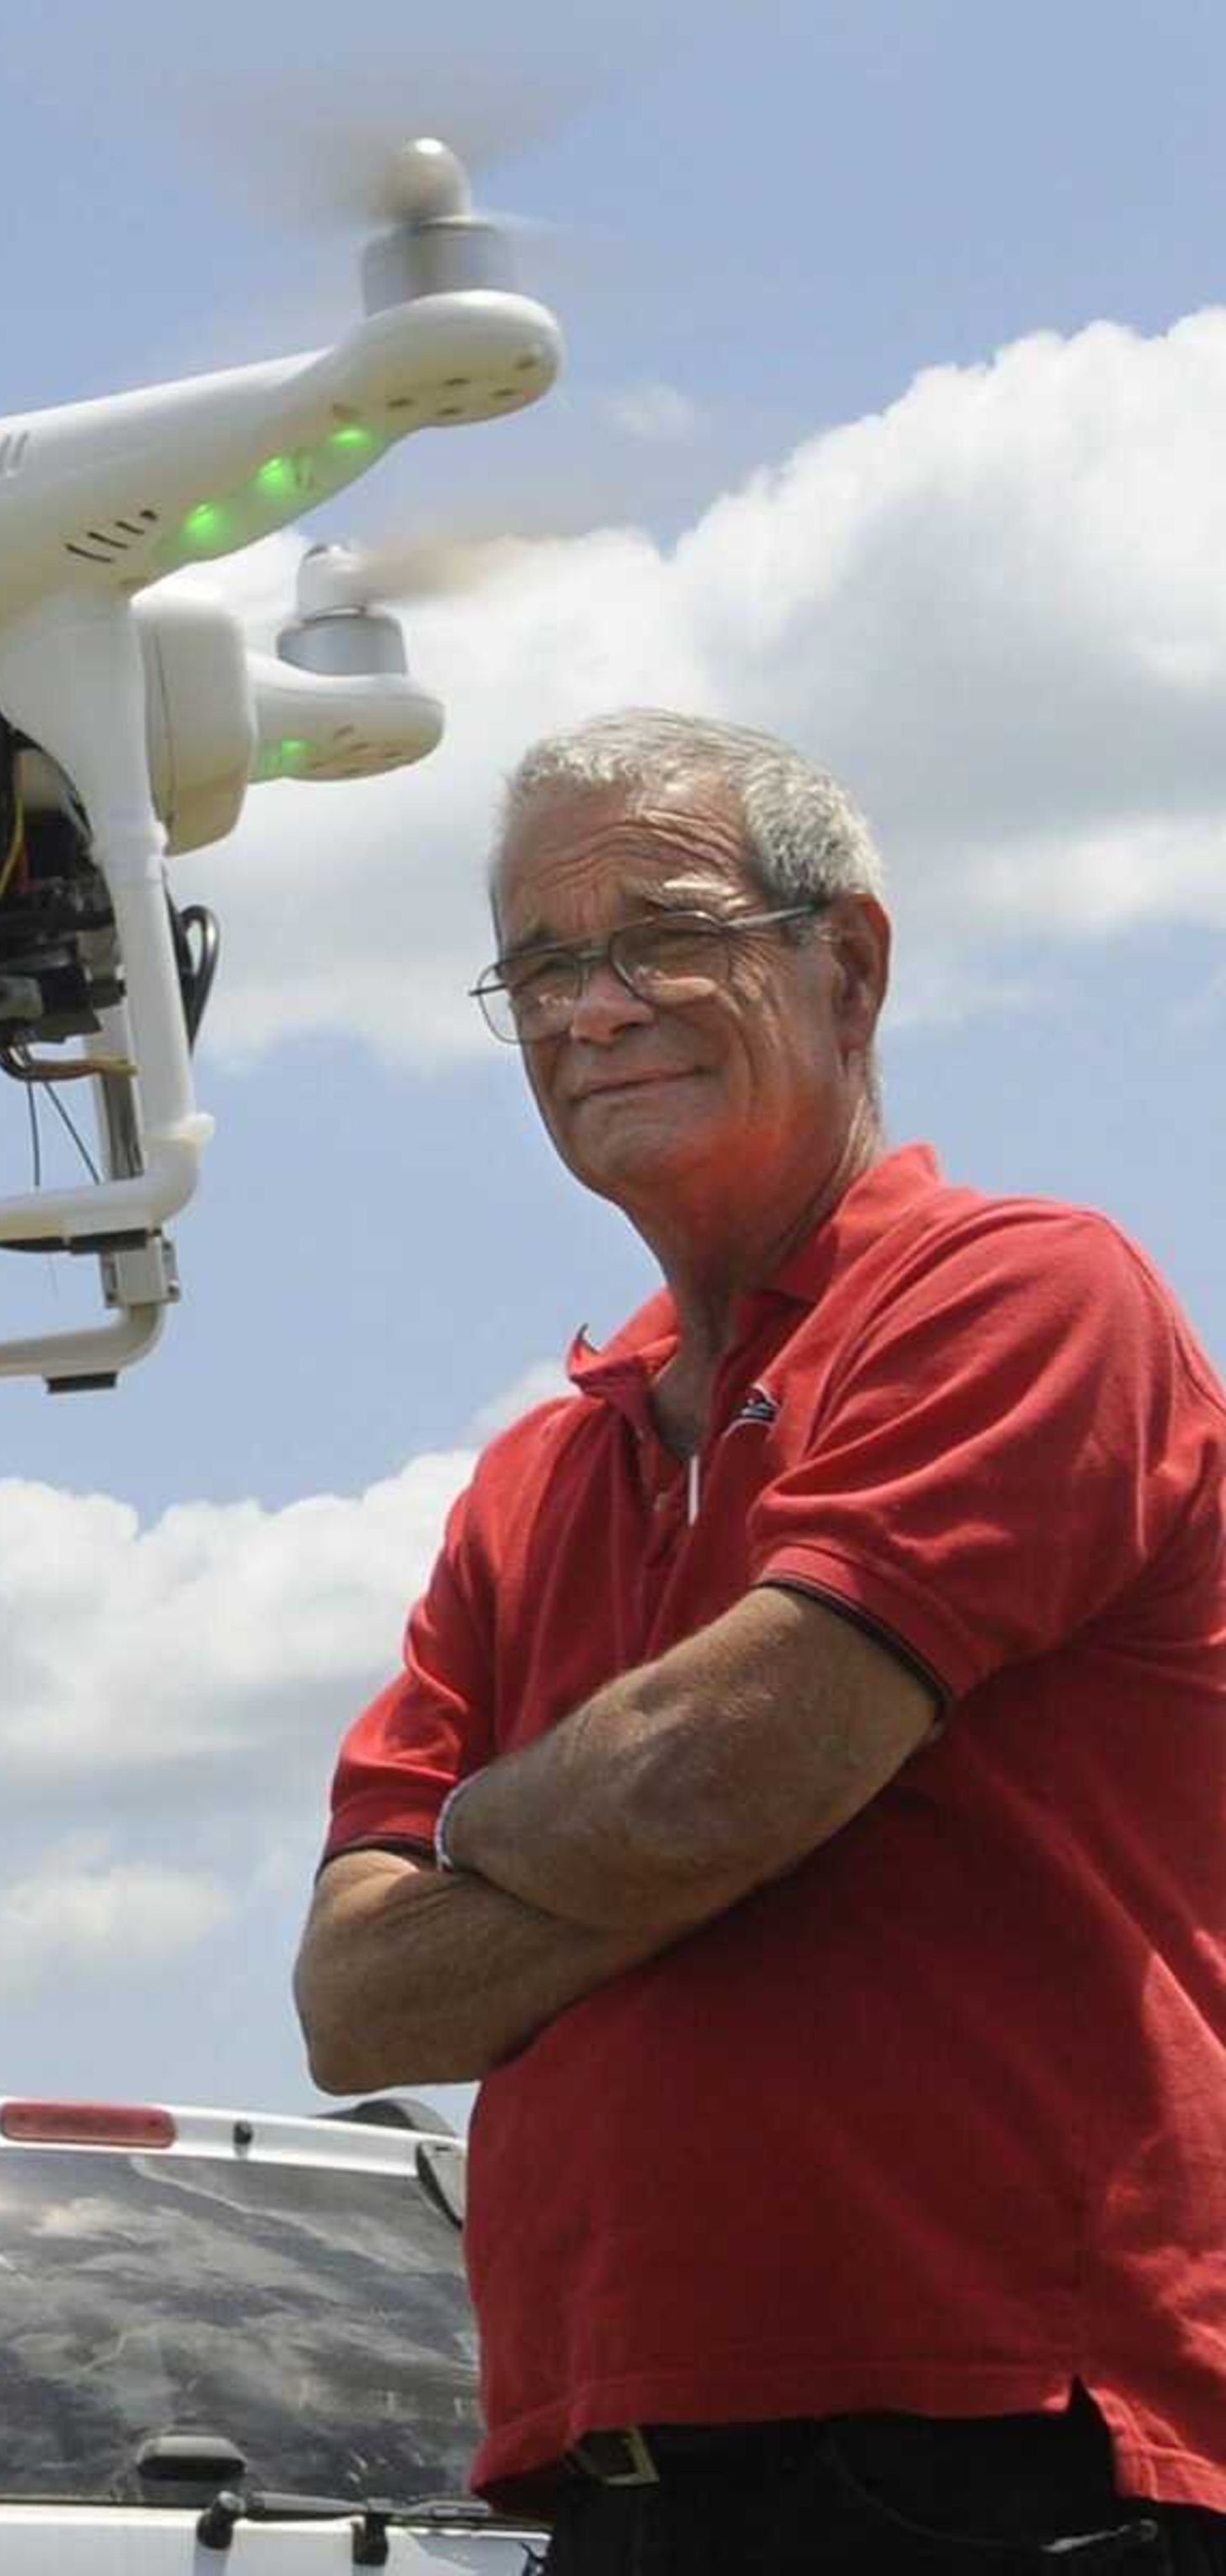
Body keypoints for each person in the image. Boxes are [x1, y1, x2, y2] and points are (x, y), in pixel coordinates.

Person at [294, 709, 1226, 2570]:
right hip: (623, 2487)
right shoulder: (533, 1479)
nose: (594, 1006)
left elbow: (717, 1773)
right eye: (544, 964)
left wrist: (477, 1833)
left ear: (849, 961)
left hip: (1005, 2458)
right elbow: (357, 2003)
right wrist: (674, 1814)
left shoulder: (1023, 1292)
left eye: (664, 930)